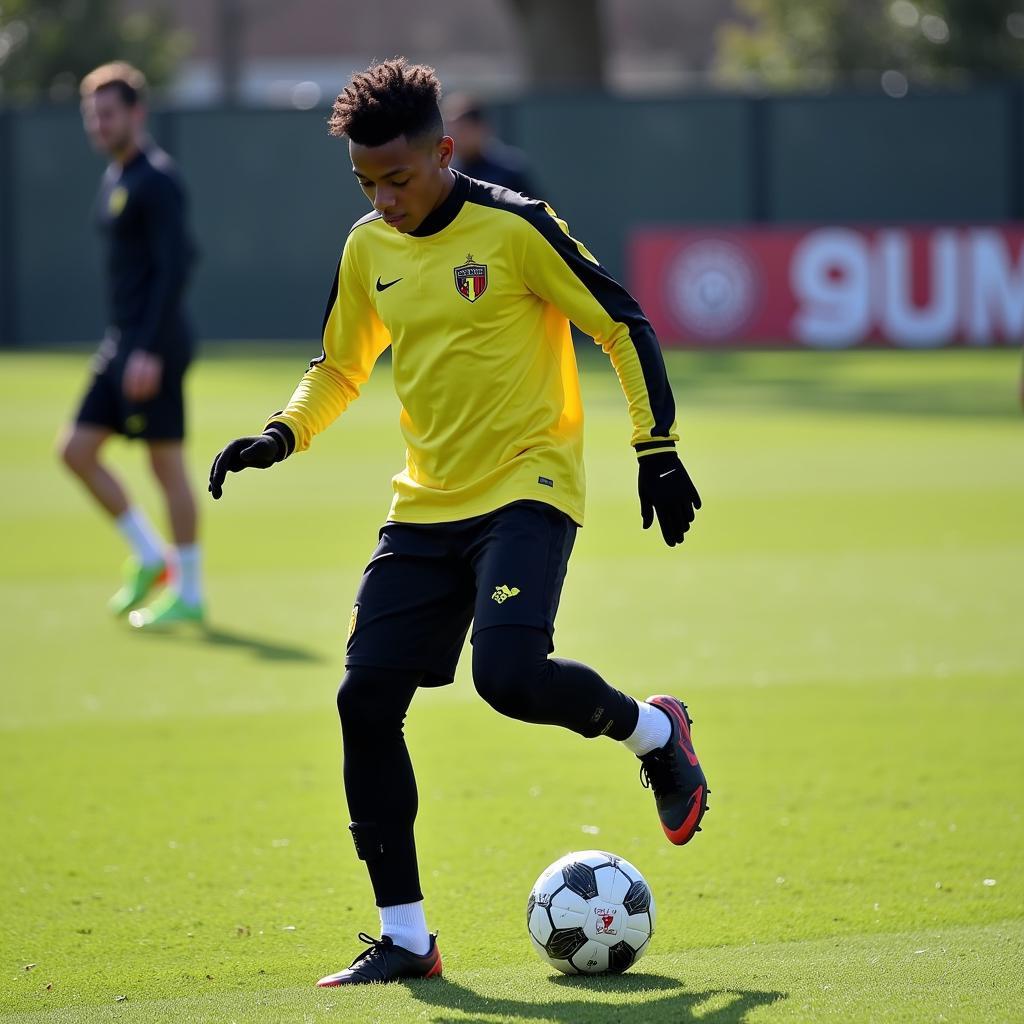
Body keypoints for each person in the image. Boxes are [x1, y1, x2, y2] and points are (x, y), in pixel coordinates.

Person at [208, 58, 707, 987]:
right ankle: (406, 938)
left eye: (398, 178)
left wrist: (657, 445)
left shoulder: (515, 228)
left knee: (509, 676)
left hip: (528, 485)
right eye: (366, 184)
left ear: (443, 151)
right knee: (364, 703)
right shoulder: (368, 247)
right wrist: (282, 434)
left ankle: (653, 734)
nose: (384, 200)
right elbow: (341, 366)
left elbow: (621, 321)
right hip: (426, 504)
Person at [58, 62, 203, 628]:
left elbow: (177, 266)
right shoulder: (116, 177)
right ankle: (151, 556)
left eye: (108, 113)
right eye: (91, 115)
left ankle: (190, 590)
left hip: (153, 346)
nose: (98, 124)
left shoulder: (157, 179)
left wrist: (147, 348)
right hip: (121, 343)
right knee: (75, 450)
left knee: (165, 466)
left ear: (136, 115)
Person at [444, 92, 538, 196]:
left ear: (482, 127)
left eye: (462, 130)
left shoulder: (508, 171)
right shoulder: (447, 173)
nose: (455, 137)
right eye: (451, 131)